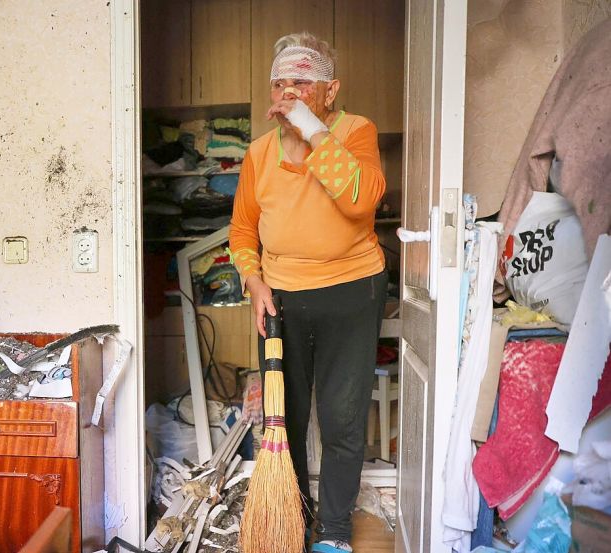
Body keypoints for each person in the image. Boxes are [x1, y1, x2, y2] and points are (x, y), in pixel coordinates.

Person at [229, 32, 388, 553]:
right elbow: (242, 231)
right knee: (286, 418)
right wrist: (253, 281)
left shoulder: (356, 131)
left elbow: (360, 199)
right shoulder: (258, 153)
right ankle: (290, 522)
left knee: (342, 417)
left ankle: (335, 533)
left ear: (330, 91)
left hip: (352, 290)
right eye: (279, 83)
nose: (288, 93)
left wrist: (313, 131)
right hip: (282, 299)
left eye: (301, 83)